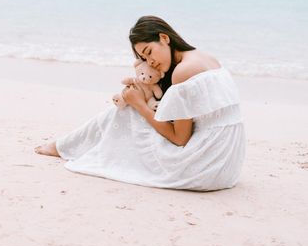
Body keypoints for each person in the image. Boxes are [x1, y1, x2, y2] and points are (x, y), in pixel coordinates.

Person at [35, 15, 246, 191]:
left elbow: (180, 139)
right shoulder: (205, 57)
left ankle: (63, 146)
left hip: (203, 166)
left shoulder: (183, 72)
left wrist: (140, 106)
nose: (150, 62)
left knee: (127, 111)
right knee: (133, 107)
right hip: (228, 165)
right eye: (144, 58)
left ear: (164, 38)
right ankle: (66, 145)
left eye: (149, 52)